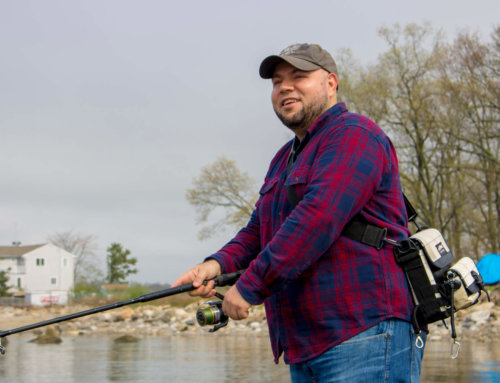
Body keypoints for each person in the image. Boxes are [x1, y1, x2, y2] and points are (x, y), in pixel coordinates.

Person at [173, 43, 426, 382]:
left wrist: (250, 286)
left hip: (364, 331)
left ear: (331, 83)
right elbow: (257, 231)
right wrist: (214, 265)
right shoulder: (283, 158)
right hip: (305, 343)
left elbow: (317, 219)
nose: (285, 87)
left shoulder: (355, 134)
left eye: (299, 77)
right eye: (277, 81)